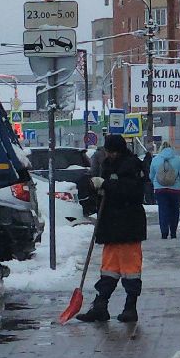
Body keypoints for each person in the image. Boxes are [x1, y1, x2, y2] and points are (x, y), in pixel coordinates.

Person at [76, 134, 147, 324]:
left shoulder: (132, 165)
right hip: (110, 226)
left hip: (129, 226)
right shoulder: (108, 164)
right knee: (108, 269)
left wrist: (106, 184)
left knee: (131, 270)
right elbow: (110, 190)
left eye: (110, 150)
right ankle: (100, 306)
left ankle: (130, 308)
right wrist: (96, 189)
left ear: (117, 150)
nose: (108, 153)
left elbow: (133, 191)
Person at [149, 140, 180, 239]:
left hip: (160, 190)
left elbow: (151, 175)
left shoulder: (156, 159)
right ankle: (173, 232)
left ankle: (164, 233)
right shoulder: (178, 160)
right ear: (171, 148)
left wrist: (157, 183)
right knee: (174, 210)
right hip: (174, 190)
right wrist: (177, 181)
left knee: (163, 210)